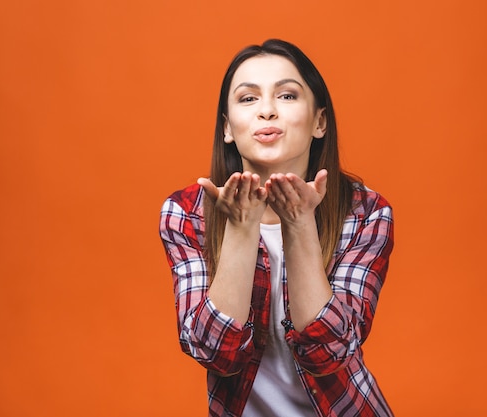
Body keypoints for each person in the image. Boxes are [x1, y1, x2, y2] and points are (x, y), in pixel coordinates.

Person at [159, 39, 395, 417]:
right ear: (227, 129)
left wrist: (300, 224)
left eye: (286, 96)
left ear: (319, 121)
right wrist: (240, 227)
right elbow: (215, 354)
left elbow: (329, 352)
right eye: (248, 99)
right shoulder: (187, 213)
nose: (267, 111)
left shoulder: (366, 212)